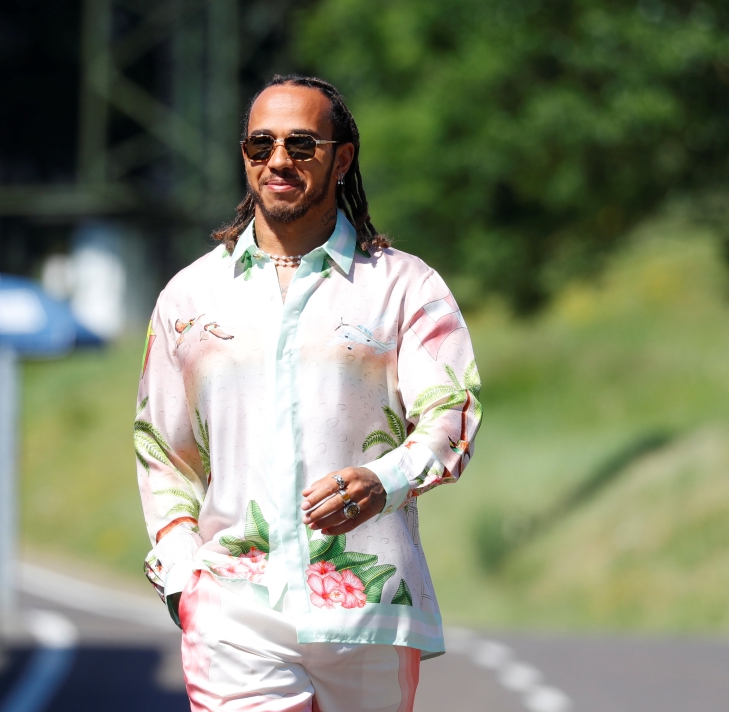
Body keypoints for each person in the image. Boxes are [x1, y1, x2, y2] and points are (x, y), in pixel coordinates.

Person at [135, 74, 483, 711]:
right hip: (232, 610)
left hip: (370, 613)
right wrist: (182, 575)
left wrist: (385, 480)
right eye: (260, 144)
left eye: (301, 145)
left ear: (341, 159)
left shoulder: (405, 287)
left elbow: (450, 417)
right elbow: (163, 451)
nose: (278, 160)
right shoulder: (189, 298)